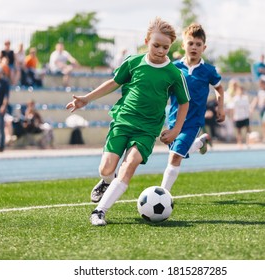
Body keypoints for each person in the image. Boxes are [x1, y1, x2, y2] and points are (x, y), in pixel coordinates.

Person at [66, 17, 190, 226]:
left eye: (165, 47)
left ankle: (99, 211)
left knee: (129, 164)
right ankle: (106, 181)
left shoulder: (174, 73)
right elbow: (113, 83)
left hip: (147, 130)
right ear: (146, 41)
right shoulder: (133, 62)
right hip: (123, 122)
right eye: (156, 45)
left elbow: (185, 103)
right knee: (106, 169)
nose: (160, 51)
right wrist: (86, 99)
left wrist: (176, 129)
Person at [160, 23, 225, 192]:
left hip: (193, 122)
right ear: (183, 45)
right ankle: (200, 142)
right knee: (178, 151)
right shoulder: (174, 68)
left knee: (175, 156)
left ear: (204, 47)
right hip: (173, 120)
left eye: (198, 44)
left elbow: (219, 88)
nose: (194, 47)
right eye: (190, 43)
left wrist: (221, 108)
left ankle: (162, 193)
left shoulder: (208, 70)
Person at [250, 75, 265, 144]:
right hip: (261, 110)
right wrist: (252, 107)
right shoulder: (259, 91)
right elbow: (256, 99)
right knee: (263, 125)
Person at [228, 82, 251, 149]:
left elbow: (247, 108)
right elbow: (232, 109)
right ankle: (239, 143)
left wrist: (249, 115)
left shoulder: (245, 98)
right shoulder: (235, 99)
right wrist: (232, 117)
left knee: (247, 130)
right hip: (238, 117)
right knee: (238, 131)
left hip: (245, 116)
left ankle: (248, 142)